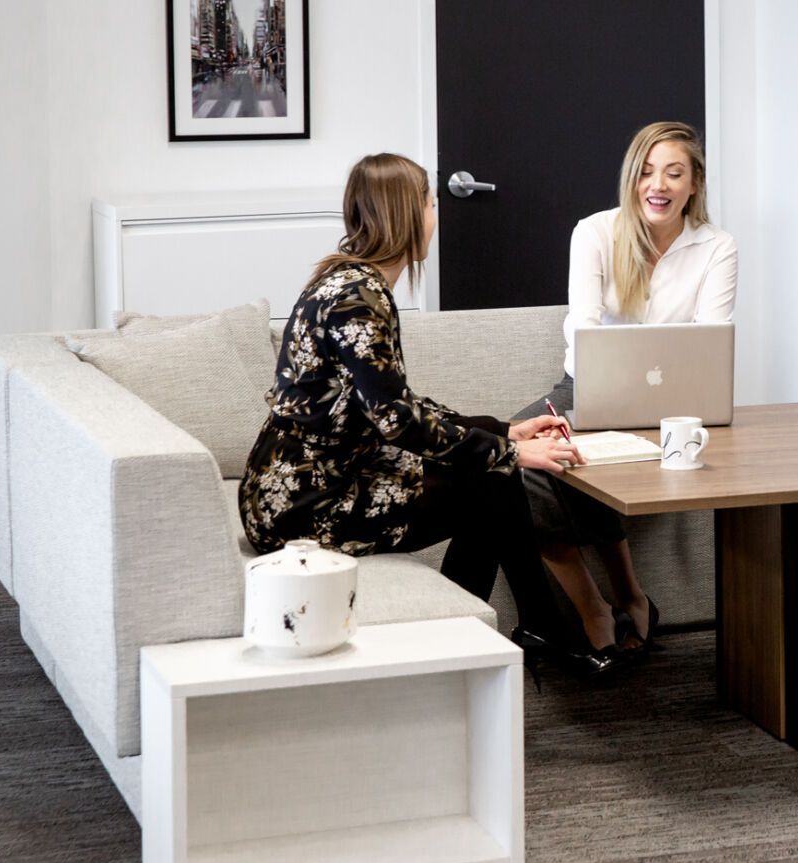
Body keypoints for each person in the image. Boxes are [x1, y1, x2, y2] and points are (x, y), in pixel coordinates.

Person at [238, 152, 620, 676]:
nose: (435, 216)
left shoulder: (350, 280)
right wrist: (511, 451)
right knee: (490, 480)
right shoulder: (358, 299)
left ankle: (514, 631)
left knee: (488, 450)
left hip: (317, 476)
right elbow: (397, 421)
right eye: (431, 203)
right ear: (408, 213)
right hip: (305, 503)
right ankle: (512, 633)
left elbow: (395, 405)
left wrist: (502, 431)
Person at [512, 121, 738, 656]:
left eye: (674, 173)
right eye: (646, 171)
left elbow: (711, 340)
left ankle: (630, 598)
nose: (657, 185)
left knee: (583, 459)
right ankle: (599, 605)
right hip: (587, 390)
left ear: (694, 184)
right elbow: (583, 327)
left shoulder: (717, 248)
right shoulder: (594, 233)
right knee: (522, 466)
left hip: (675, 403)